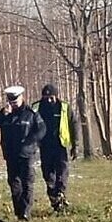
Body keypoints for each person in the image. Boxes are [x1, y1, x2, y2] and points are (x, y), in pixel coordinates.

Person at [0, 85, 46, 221]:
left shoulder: (31, 113)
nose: (13, 104)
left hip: (27, 154)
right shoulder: (5, 114)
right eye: (11, 101)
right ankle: (19, 212)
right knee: (14, 184)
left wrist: (30, 143)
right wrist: (3, 114)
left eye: (15, 101)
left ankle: (26, 212)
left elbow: (41, 130)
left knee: (27, 183)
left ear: (21, 97)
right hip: (10, 155)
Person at [34, 83, 80, 212]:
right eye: (46, 97)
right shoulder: (36, 108)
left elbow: (74, 125)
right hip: (44, 147)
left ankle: (61, 197)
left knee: (62, 174)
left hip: (61, 146)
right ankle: (53, 197)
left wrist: (75, 145)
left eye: (51, 98)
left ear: (56, 96)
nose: (48, 100)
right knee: (48, 175)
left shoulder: (64, 107)